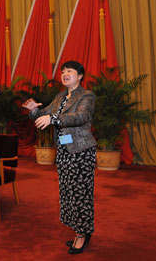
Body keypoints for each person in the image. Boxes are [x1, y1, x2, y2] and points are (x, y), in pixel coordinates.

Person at [22, 61, 97, 255]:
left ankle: (82, 234)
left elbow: (79, 117)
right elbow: (44, 113)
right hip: (64, 151)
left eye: (69, 71)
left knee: (81, 194)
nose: (65, 74)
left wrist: (53, 119)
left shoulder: (86, 96)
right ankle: (79, 229)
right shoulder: (61, 96)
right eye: (63, 71)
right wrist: (33, 110)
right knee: (68, 194)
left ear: (80, 76)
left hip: (81, 151)